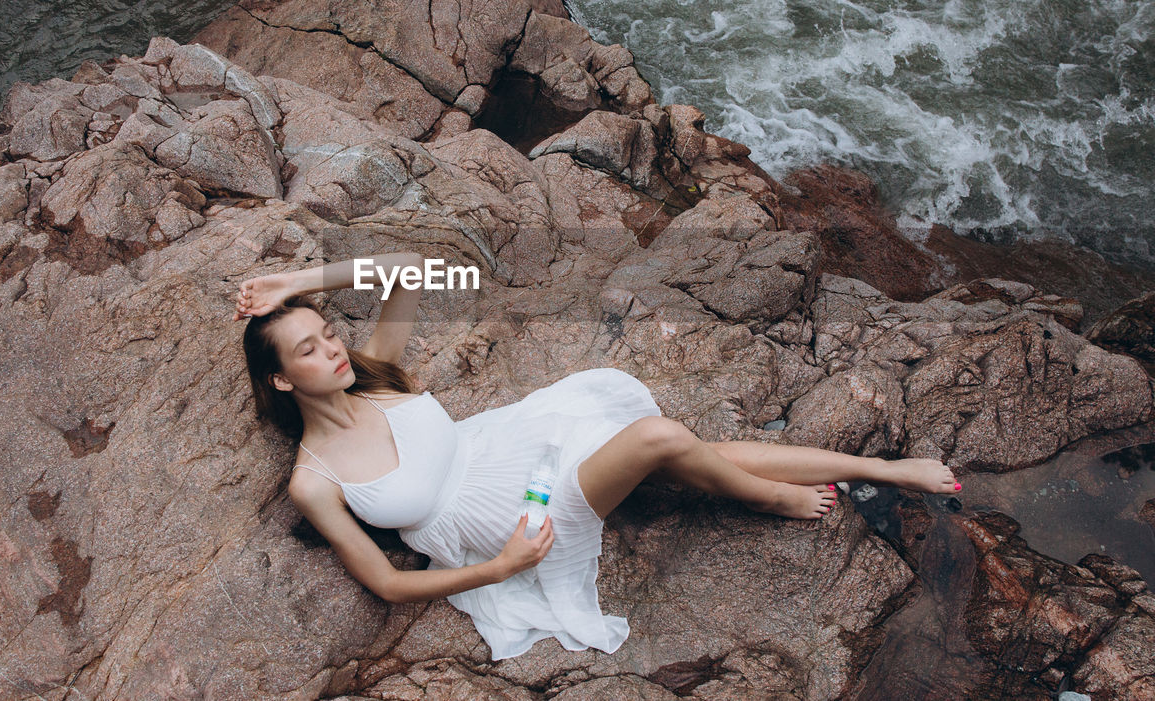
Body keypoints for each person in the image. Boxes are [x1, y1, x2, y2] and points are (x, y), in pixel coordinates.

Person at [234, 252, 962, 660]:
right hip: (498, 519)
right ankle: (770, 496)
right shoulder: (314, 478)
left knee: (678, 446)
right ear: (279, 378)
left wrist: (299, 282)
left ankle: (881, 468)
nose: (331, 349)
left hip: (510, 442)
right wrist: (499, 569)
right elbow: (385, 585)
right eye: (308, 349)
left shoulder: (372, 373)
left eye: (328, 333)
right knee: (659, 440)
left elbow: (419, 271)